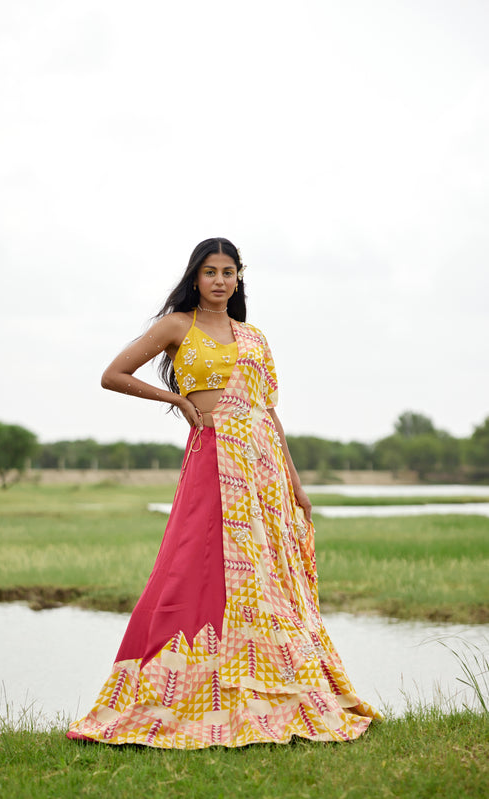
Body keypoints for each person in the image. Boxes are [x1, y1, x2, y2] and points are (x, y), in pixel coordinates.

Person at [67, 237, 381, 748]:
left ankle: (271, 691)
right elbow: (113, 375)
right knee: (196, 562)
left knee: (266, 573)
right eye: (210, 271)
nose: (219, 280)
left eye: (228, 272)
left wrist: (296, 485)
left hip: (263, 465)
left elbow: (270, 412)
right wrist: (176, 400)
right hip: (213, 454)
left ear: (239, 279)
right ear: (196, 277)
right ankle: (191, 692)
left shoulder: (254, 337)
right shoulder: (177, 326)